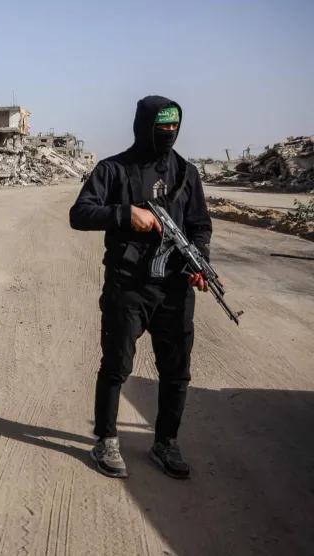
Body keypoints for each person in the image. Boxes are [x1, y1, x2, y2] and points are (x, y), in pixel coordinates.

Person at [69, 96, 213, 481]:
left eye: (174, 127)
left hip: (175, 290)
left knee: (176, 372)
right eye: (161, 127)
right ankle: (106, 440)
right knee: (116, 366)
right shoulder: (112, 169)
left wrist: (199, 260)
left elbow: (200, 225)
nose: (169, 133)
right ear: (144, 126)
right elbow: (79, 214)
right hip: (128, 285)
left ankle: (165, 442)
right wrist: (125, 214)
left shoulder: (187, 174)